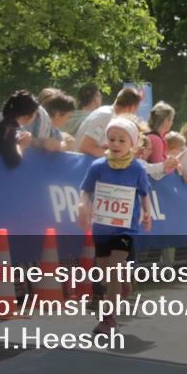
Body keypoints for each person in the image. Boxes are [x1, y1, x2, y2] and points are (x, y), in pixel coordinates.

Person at [76, 117, 152, 335]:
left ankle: (109, 319)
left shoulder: (137, 168)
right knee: (105, 271)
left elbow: (144, 192)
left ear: (133, 144)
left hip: (125, 229)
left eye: (121, 140)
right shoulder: (98, 166)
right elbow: (86, 190)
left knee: (115, 269)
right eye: (112, 139)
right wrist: (83, 205)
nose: (116, 144)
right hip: (101, 227)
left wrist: (147, 212)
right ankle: (123, 282)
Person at [75, 87, 142, 157]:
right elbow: (86, 147)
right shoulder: (106, 116)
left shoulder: (107, 113)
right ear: (131, 107)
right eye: (136, 109)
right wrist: (121, 157)